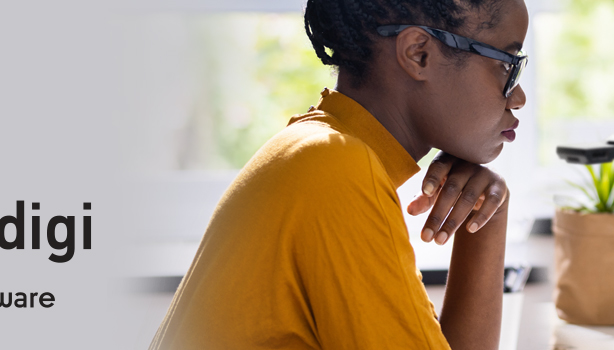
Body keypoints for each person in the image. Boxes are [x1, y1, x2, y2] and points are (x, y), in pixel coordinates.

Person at [151, 0, 529, 349]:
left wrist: (486, 221)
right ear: (419, 53)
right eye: (508, 65)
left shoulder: (313, 149)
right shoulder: (337, 168)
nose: (520, 96)